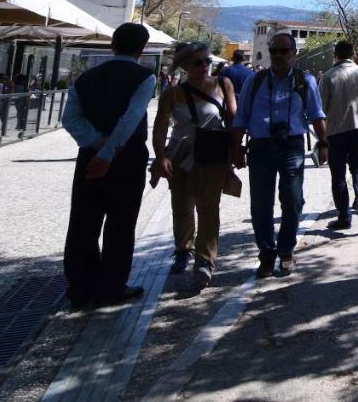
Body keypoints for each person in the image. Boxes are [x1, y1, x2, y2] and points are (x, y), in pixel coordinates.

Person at [61, 22, 154, 310]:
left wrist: (96, 143)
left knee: (83, 222)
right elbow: (131, 117)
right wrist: (110, 150)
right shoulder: (144, 77)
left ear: (112, 44)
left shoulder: (86, 77)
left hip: (89, 156)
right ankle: (111, 288)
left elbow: (69, 119)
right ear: (141, 49)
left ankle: (80, 287)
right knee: (120, 224)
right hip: (126, 159)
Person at [230, 33, 329, 279]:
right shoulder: (255, 81)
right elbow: (241, 117)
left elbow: (316, 115)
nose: (278, 56)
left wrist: (324, 144)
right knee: (261, 205)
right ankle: (266, 255)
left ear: (294, 53)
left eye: (284, 51)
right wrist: (234, 148)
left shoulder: (305, 81)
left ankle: (286, 251)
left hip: (292, 146)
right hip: (260, 147)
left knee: (293, 200)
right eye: (274, 51)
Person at [151, 42, 235, 289]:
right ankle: (183, 248)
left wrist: (235, 151)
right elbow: (160, 128)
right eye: (197, 62)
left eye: (207, 61)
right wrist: (160, 156)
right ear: (185, 65)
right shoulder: (172, 93)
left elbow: (232, 119)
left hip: (212, 155)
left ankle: (204, 261)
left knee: (209, 208)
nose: (204, 66)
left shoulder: (223, 84)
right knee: (182, 205)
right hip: (181, 155)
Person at [318, 41, 358, 230]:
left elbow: (320, 108)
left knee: (338, 175)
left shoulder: (328, 76)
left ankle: (344, 217)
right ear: (353, 54)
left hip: (336, 130)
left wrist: (322, 138)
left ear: (335, 55)